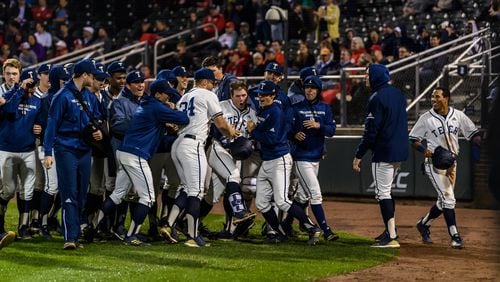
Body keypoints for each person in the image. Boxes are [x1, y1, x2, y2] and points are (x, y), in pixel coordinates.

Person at [95, 80, 189, 246]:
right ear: (158, 94)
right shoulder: (156, 107)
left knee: (117, 194)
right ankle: (131, 236)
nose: (168, 96)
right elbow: (184, 118)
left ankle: (92, 226)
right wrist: (172, 108)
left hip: (124, 152)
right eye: (166, 93)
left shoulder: (146, 103)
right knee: (148, 198)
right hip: (135, 154)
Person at [161, 68, 239, 247]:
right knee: (196, 192)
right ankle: (192, 236)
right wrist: (231, 132)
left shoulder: (184, 97)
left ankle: (168, 223)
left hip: (179, 143)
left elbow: (176, 123)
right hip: (193, 144)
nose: (213, 86)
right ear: (205, 82)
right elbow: (221, 124)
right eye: (212, 83)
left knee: (187, 188)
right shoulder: (207, 94)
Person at [247, 80, 322, 245]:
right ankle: (279, 233)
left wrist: (254, 131)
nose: (261, 97)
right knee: (261, 202)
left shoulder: (276, 112)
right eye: (260, 94)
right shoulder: (264, 110)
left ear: (273, 96)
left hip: (279, 159)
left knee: (281, 200)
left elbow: (272, 139)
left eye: (265, 94)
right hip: (267, 160)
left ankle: (312, 227)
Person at [43, 58, 104, 250]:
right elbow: (51, 125)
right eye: (92, 75)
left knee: (82, 194)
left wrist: (98, 132)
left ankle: (74, 234)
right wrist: (48, 152)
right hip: (66, 149)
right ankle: (70, 237)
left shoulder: (90, 96)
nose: (94, 78)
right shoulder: (62, 96)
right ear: (84, 75)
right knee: (69, 193)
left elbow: (96, 121)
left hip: (84, 149)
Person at [409, 87, 481, 249]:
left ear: (447, 98)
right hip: (434, 164)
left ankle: (424, 224)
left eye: (437, 97)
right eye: (432, 97)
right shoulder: (426, 118)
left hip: (451, 164)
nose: (434, 100)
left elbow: (473, 134)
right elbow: (413, 139)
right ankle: (455, 235)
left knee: (444, 202)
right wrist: (424, 150)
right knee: (449, 199)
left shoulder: (459, 116)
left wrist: (480, 144)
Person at [352, 63, 408, 248]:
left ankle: (391, 236)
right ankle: (389, 230)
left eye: (368, 75)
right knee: (387, 192)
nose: (366, 78)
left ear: (376, 76)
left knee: (382, 193)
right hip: (399, 150)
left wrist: (359, 154)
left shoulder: (376, 97)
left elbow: (371, 132)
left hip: (384, 150)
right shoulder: (398, 94)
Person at [287, 76, 339, 241]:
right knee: (315, 194)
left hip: (315, 157)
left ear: (318, 90)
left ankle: (286, 225)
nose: (309, 90)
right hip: (301, 157)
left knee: (302, 197)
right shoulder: (296, 108)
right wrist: (294, 134)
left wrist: (319, 126)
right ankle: (326, 230)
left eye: (313, 88)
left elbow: (331, 131)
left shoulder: (325, 107)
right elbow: (286, 128)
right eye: (307, 87)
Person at [207, 81, 258, 240]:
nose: (241, 99)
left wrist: (253, 133)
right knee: (233, 178)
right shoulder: (221, 106)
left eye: (243, 95)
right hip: (218, 148)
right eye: (237, 96)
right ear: (231, 95)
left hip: (235, 156)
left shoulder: (252, 113)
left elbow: (252, 138)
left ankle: (228, 230)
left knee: (213, 195)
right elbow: (210, 127)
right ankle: (240, 211)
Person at [0, 69, 42, 242]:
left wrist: (41, 128)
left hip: (28, 150)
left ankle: (23, 227)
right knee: (8, 190)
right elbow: (9, 110)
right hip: (6, 149)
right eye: (27, 84)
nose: (30, 88)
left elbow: (43, 121)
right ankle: (0, 225)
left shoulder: (38, 101)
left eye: (32, 85)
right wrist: (20, 90)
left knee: (27, 191)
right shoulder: (10, 97)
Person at [36, 64, 71, 239]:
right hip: (48, 147)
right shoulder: (47, 98)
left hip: (63, 146)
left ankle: (50, 219)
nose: (65, 81)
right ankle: (42, 224)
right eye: (62, 79)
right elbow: (44, 128)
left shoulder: (65, 96)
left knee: (63, 187)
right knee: (52, 186)